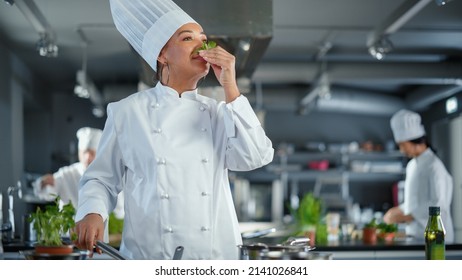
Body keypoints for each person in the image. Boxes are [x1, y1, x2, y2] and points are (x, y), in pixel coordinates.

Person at [73, 0, 274, 260]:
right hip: (150, 258)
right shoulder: (126, 112)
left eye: (203, 38)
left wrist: (231, 87)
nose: (202, 45)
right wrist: (92, 212)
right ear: (162, 54)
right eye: (187, 38)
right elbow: (101, 179)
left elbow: (256, 157)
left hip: (213, 261)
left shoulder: (218, 112)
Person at [383, 109, 454, 243]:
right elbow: (416, 202)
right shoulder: (412, 165)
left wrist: (405, 216)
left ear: (415, 141)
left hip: (436, 239)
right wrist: (398, 210)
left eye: (403, 145)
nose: (402, 150)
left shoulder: (434, 166)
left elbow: (438, 204)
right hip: (416, 236)